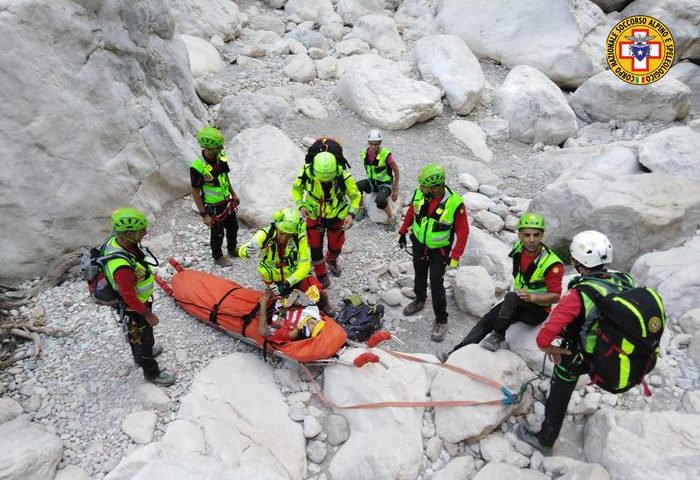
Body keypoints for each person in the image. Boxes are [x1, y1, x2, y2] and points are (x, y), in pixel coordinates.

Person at [517, 230, 634, 455]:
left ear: (576, 261)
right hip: (612, 350)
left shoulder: (578, 295)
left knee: (559, 396)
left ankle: (545, 440)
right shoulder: (624, 280)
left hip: (578, 357)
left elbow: (544, 337)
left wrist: (550, 348)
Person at [439, 212, 564, 357]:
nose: (531, 239)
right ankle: (455, 353)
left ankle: (498, 335)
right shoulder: (519, 249)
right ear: (520, 235)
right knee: (487, 320)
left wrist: (532, 298)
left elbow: (555, 296)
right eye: (527, 235)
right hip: (520, 301)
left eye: (536, 235)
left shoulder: (552, 264)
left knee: (510, 297)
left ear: (542, 236)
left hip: (537, 310)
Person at [101, 208, 176, 386]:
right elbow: (129, 296)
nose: (145, 233)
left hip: (137, 305)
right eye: (141, 230)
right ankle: (151, 371)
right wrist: (148, 315)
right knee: (143, 337)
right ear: (128, 233)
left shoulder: (118, 241)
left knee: (138, 337)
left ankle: (142, 353)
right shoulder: (121, 266)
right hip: (135, 308)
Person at [398, 163, 469, 342]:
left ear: (436, 187)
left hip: (440, 251)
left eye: (425, 186)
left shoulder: (454, 204)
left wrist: (456, 255)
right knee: (419, 275)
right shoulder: (420, 194)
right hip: (419, 244)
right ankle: (420, 299)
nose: (421, 188)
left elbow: (463, 231)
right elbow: (411, 212)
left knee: (437, 285)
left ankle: (441, 320)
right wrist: (402, 231)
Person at [237, 207, 335, 315]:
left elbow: (304, 266)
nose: (284, 238)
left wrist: (287, 283)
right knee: (283, 306)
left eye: (288, 235)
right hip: (273, 278)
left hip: (294, 276)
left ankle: (325, 305)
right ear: (277, 227)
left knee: (316, 292)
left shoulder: (299, 239)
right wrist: (246, 251)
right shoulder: (266, 234)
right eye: (282, 233)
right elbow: (246, 247)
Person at [291, 151, 361, 288]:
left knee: (336, 246)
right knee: (315, 247)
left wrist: (351, 214)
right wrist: (300, 206)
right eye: (322, 179)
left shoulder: (343, 176)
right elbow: (296, 189)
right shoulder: (308, 173)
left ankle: (331, 259)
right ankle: (321, 274)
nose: (325, 181)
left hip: (336, 215)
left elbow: (355, 196)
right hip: (314, 214)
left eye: (328, 178)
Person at [190, 126, 240, 267]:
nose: (221, 148)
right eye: (218, 147)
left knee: (233, 227)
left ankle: (232, 249)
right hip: (213, 206)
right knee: (217, 233)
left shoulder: (220, 157)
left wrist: (233, 194)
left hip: (226, 201)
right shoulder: (198, 167)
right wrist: (204, 214)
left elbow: (225, 176)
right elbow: (195, 192)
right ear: (209, 148)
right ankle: (217, 256)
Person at [355, 129, 400, 225]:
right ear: (368, 143)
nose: (373, 146)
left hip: (385, 184)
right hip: (372, 182)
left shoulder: (386, 155)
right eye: (371, 144)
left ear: (379, 143)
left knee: (379, 201)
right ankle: (361, 208)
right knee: (356, 187)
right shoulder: (364, 153)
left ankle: (391, 217)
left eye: (376, 144)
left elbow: (396, 170)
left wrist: (395, 189)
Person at [256, 287, 326, 342]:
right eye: (318, 323)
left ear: (307, 334)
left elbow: (262, 331)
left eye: (313, 328)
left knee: (277, 322)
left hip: (270, 311)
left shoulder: (292, 333)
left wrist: (263, 303)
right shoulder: (314, 312)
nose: (314, 322)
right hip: (283, 301)